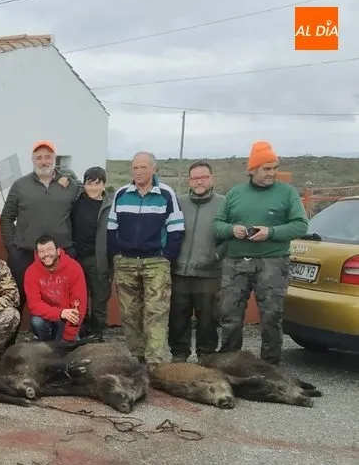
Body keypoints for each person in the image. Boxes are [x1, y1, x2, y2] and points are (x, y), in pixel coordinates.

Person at [213, 141, 308, 365]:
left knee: (271, 316)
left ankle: (270, 366)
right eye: (267, 169)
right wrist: (231, 229)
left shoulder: (287, 193)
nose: (272, 173)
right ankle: (230, 363)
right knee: (229, 316)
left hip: (273, 262)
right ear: (252, 169)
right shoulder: (235, 193)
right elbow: (217, 224)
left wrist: (271, 232)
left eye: (274, 168)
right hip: (235, 262)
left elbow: (301, 225)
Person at [107, 151, 184, 366]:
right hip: (126, 262)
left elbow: (176, 228)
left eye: (143, 167)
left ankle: (155, 362)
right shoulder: (122, 194)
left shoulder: (167, 194)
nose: (139, 172)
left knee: (156, 312)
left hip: (156, 262)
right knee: (129, 313)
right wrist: (117, 254)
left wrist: (167, 256)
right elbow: (112, 227)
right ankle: (136, 356)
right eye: (135, 168)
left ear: (154, 169)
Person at [0, 140, 79, 312]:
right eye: (39, 157)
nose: (44, 161)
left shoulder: (71, 186)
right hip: (25, 255)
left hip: (61, 255)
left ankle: (62, 338)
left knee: (63, 300)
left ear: (55, 159)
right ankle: (10, 338)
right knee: (17, 299)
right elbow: (6, 217)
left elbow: (83, 209)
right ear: (33, 160)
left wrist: (73, 249)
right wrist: (12, 248)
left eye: (48, 157)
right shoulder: (20, 185)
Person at [169, 161, 227, 362]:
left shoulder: (224, 203)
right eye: (195, 178)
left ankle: (206, 355)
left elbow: (229, 235)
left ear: (212, 179)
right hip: (179, 271)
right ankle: (179, 353)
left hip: (209, 272)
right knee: (177, 316)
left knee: (208, 318)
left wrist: (217, 256)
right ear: (189, 180)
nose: (199, 181)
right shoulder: (178, 201)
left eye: (203, 177)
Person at [71, 166, 114, 341]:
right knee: (78, 297)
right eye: (90, 183)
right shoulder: (76, 199)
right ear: (84, 184)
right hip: (77, 256)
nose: (93, 187)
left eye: (98, 183)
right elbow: (66, 174)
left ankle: (98, 333)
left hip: (99, 258)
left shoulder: (110, 205)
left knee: (99, 298)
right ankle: (80, 330)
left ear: (104, 185)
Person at [24, 235, 88, 344]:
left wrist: (67, 337)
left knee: (69, 352)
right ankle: (46, 345)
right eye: (41, 251)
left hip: (68, 318)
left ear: (58, 251)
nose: (46, 254)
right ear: (37, 254)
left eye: (49, 249)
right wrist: (60, 313)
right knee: (36, 321)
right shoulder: (31, 272)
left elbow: (79, 306)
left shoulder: (74, 268)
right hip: (47, 317)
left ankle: (67, 340)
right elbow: (34, 305)